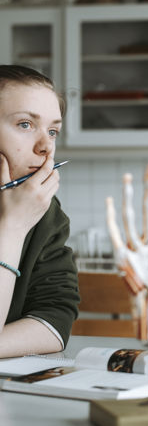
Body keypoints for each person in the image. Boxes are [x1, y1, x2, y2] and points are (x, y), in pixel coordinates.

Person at [0, 65, 78, 358]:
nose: (46, 146)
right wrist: (13, 227)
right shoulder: (28, 211)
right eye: (25, 124)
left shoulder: (44, 211)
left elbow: (55, 320)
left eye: (53, 131)